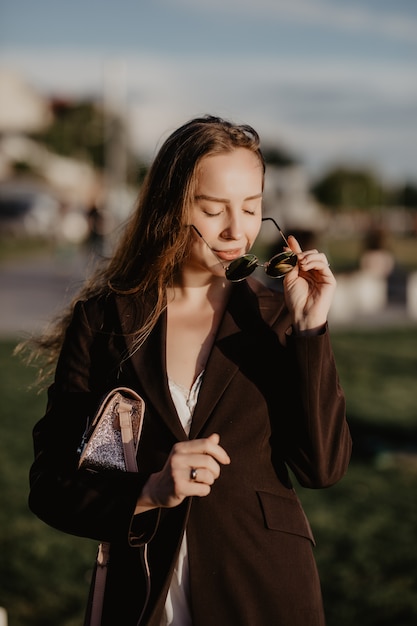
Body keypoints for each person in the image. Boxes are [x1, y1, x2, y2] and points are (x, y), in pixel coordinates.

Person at [27, 115, 351, 626]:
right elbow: (50, 486)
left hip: (264, 589)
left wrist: (310, 329)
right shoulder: (105, 320)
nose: (236, 230)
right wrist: (148, 492)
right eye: (213, 208)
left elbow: (323, 467)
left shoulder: (276, 316)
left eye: (251, 208)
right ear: (171, 206)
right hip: (142, 595)